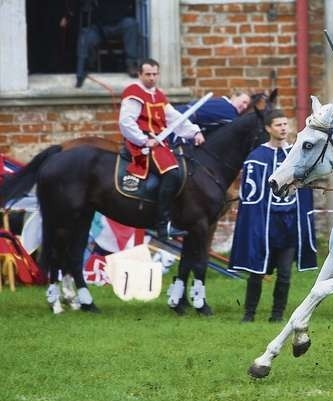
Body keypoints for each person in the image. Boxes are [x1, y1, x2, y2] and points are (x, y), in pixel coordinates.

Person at [229, 110, 317, 323]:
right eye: (278, 125)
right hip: (265, 225)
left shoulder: (296, 155)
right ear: (268, 128)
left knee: (285, 274)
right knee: (257, 272)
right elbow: (250, 198)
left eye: (285, 124)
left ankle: (277, 315)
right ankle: (249, 314)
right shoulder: (257, 157)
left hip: (288, 225)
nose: (283, 128)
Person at [118, 58, 205, 240]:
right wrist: (143, 140)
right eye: (148, 74)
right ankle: (162, 224)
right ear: (140, 74)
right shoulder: (133, 93)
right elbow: (126, 122)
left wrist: (194, 132)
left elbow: (174, 118)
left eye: (155, 74)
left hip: (158, 142)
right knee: (172, 172)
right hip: (140, 143)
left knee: (180, 169)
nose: (152, 78)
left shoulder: (158, 94)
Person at [75, 0, 139, 88]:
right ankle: (87, 67)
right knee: (86, 36)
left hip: (119, 24)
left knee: (131, 24)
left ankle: (131, 63)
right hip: (99, 26)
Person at [175, 90, 251, 132]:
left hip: (179, 116)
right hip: (180, 121)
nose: (245, 107)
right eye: (244, 102)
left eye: (247, 105)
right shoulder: (229, 110)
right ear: (234, 97)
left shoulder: (219, 101)